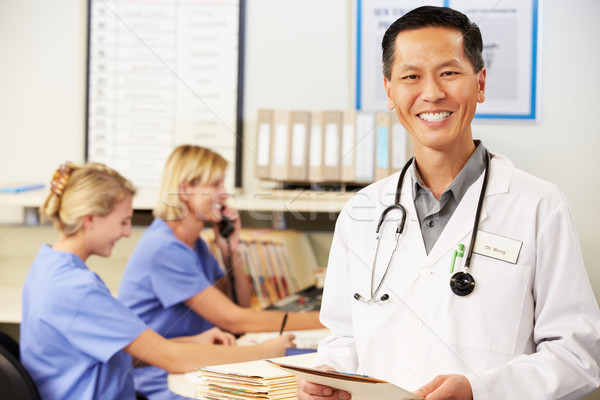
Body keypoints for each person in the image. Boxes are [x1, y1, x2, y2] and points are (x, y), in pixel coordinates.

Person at [297, 5, 600, 400]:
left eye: (449, 73)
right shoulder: (361, 211)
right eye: (411, 76)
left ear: (480, 83)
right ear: (390, 91)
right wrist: (328, 375)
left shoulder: (540, 205)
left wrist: (480, 389)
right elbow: (343, 337)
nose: (432, 93)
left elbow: (577, 355)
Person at [20, 162, 294, 400]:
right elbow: (170, 358)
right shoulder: (76, 288)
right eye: (124, 222)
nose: (127, 233)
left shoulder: (48, 267)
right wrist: (266, 351)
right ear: (90, 219)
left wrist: (194, 342)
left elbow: (120, 351)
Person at [118, 145, 324, 400]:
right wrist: (324, 319)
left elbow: (237, 303)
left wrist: (230, 248)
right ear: (185, 189)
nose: (224, 193)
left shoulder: (197, 245)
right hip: (164, 378)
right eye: (215, 184)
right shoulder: (164, 249)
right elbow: (234, 319)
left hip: (198, 363)